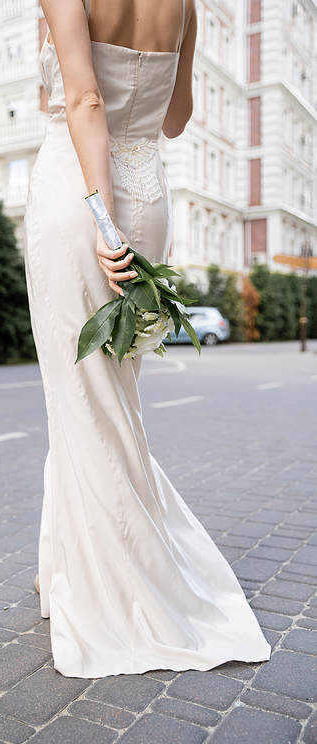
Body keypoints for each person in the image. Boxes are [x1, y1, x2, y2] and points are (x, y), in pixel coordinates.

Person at [23, 0, 271, 679]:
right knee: (109, 396)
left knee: (78, 394)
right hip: (148, 194)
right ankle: (67, 562)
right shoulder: (185, 3)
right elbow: (176, 116)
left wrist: (103, 221)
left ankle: (119, 586)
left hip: (82, 200)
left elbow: (85, 99)